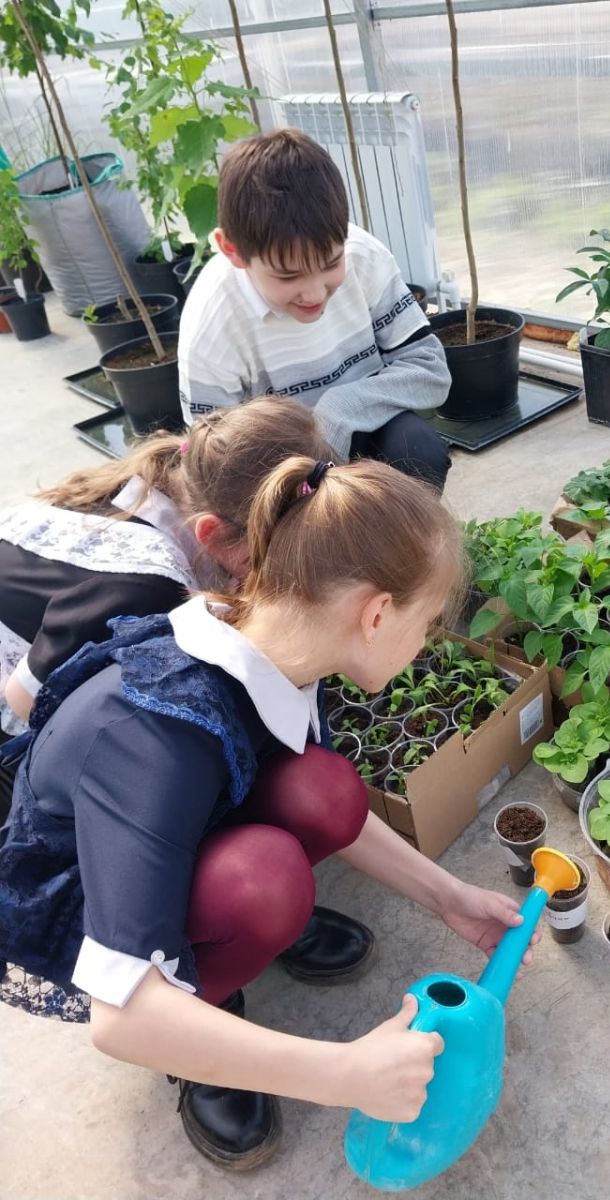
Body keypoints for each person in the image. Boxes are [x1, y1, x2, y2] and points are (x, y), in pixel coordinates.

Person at [0, 455, 535, 1170]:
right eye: (428, 622)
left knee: (325, 788)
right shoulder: (153, 735)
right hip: (89, 899)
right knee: (264, 881)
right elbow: (120, 1017)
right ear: (376, 615)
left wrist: (448, 895)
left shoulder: (272, 635)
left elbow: (305, 793)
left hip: (181, 819)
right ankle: (204, 1031)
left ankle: (246, 931)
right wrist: (346, 1073)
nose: (428, 640)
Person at [0, 397, 371, 984]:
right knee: (188, 769)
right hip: (23, 754)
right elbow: (24, 703)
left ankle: (240, 911)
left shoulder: (178, 482)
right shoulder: (147, 587)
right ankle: (194, 975)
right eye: (283, 550)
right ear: (217, 537)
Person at [177, 128, 453, 492]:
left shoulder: (363, 257)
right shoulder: (211, 327)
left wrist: (337, 411)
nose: (315, 292)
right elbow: (211, 461)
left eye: (331, 264)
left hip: (363, 422)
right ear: (233, 251)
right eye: (288, 275)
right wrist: (299, 475)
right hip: (274, 468)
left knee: (417, 450)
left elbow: (429, 369)